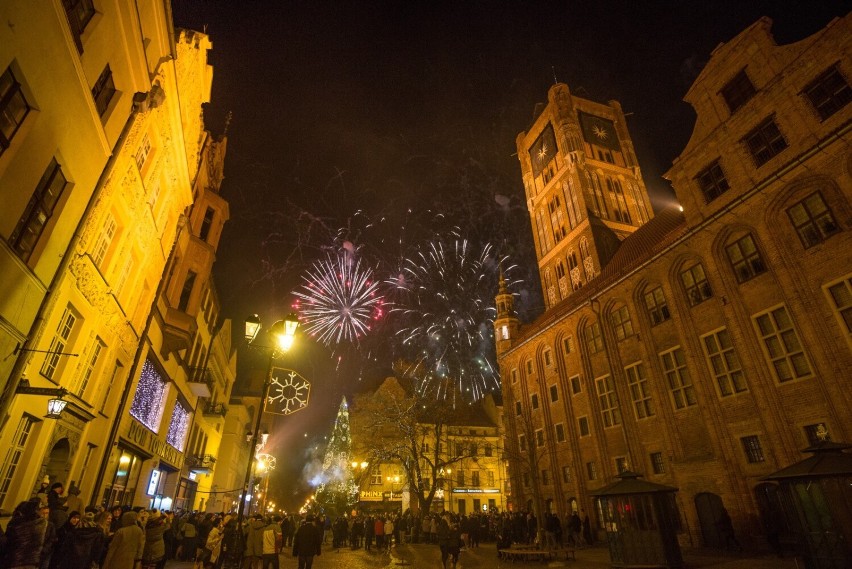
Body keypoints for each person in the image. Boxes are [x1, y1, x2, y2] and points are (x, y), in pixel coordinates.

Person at [6, 500, 47, 569]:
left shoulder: (19, 525)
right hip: (32, 561)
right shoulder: (40, 525)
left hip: (16, 560)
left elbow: (10, 542)